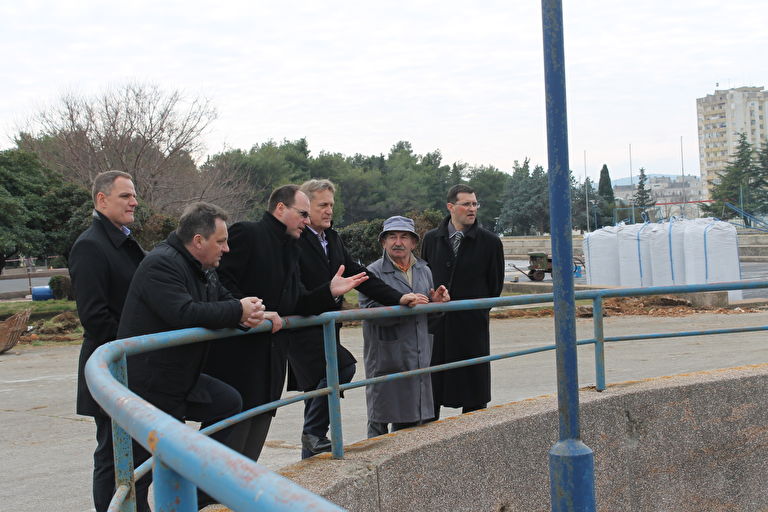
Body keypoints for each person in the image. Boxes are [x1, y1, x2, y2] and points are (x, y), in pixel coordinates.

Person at [118, 202, 268, 510]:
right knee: (139, 473)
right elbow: (183, 313)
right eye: (221, 241)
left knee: (228, 402)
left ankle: (199, 488)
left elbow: (225, 300)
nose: (226, 249)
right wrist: (238, 310)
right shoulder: (161, 263)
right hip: (148, 385)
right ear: (199, 240)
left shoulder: (202, 267)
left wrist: (251, 311)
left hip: (179, 379)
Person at [204, 185, 368, 463]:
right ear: (280, 208)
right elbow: (217, 282)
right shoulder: (248, 233)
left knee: (249, 453)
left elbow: (296, 302)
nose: (307, 220)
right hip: (238, 362)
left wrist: (329, 291)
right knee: (223, 453)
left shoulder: (290, 247)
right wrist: (248, 310)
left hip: (270, 365)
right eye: (302, 213)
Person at [290, 179, 428, 458]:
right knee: (341, 368)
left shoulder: (332, 238)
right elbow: (293, 290)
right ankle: (313, 434)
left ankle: (312, 451)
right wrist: (328, 292)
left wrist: (398, 297)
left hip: (327, 326)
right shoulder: (295, 240)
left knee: (321, 387)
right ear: (305, 206)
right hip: (302, 324)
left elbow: (360, 276)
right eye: (322, 205)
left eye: (331, 205)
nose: (329, 211)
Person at [69, 170, 145, 512]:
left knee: (134, 452)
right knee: (112, 454)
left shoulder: (124, 240)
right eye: (125, 196)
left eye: (134, 195)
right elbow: (95, 318)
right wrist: (138, 342)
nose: (134, 202)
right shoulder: (90, 246)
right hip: (112, 368)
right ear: (102, 200)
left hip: (130, 364)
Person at [359, 216, 450, 437]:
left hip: (417, 352)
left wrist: (436, 304)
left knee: (412, 416)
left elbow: (427, 315)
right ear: (383, 242)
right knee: (380, 417)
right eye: (392, 237)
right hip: (386, 354)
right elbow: (368, 311)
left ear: (413, 243)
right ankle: (376, 456)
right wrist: (404, 306)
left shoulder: (424, 270)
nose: (398, 242)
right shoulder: (372, 272)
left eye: (404, 237)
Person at [422, 184, 505, 418]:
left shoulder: (490, 242)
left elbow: (494, 286)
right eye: (466, 204)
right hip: (438, 328)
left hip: (471, 329)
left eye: (475, 204)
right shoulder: (431, 239)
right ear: (451, 207)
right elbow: (425, 277)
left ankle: (474, 435)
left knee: (474, 394)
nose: (472, 209)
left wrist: (475, 312)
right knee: (433, 390)